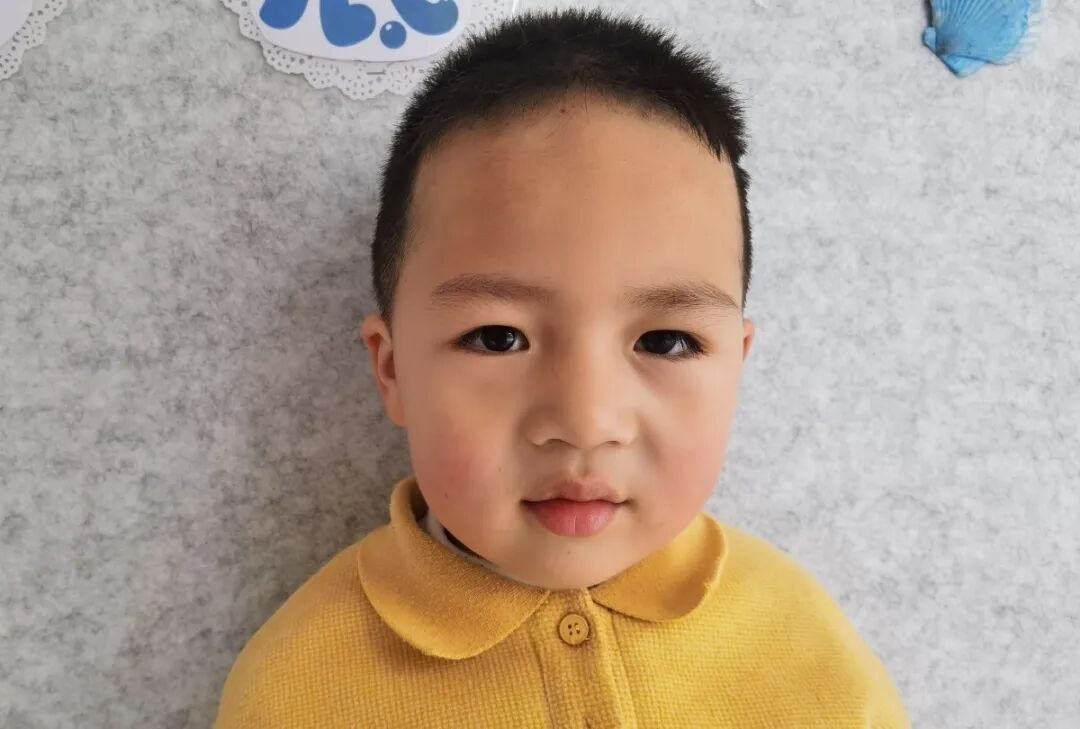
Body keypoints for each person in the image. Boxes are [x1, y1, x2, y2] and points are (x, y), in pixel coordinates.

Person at [212, 6, 911, 727]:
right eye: (497, 338)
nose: (585, 420)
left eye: (666, 342)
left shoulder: (806, 649)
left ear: (737, 366)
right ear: (392, 372)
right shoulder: (293, 691)